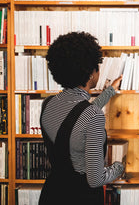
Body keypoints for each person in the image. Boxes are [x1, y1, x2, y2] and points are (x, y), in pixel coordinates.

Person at [39, 32, 124, 205]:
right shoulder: (93, 117)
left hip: (52, 193)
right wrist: (119, 167)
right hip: (80, 197)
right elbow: (96, 179)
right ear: (91, 74)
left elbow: (75, 117)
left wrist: (109, 91)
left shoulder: (48, 104)